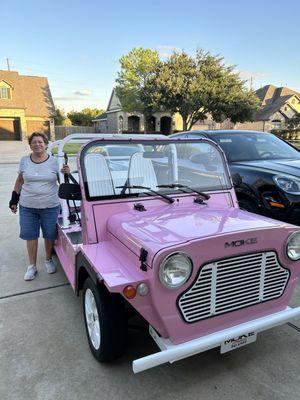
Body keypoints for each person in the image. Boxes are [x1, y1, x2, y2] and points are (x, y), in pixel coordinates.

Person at [9, 131, 70, 281]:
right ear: (30, 145)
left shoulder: (55, 162)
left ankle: (48, 260)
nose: (37, 144)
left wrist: (66, 173)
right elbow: (19, 180)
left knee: (49, 235)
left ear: (46, 144)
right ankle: (32, 266)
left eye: (40, 142)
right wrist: (13, 199)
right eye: (34, 142)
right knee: (30, 235)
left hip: (50, 205)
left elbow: (63, 181)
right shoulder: (24, 160)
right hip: (27, 206)